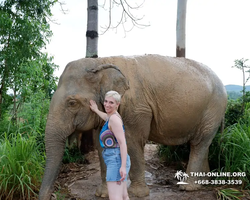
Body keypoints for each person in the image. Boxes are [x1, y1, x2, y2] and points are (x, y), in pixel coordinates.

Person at [90, 90, 131, 200]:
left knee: (115, 197)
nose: (107, 105)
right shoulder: (113, 116)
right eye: (106, 101)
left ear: (118, 104)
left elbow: (123, 144)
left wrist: (122, 166)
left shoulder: (114, 119)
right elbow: (106, 117)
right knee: (123, 196)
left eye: (111, 103)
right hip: (116, 158)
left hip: (116, 160)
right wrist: (96, 110)